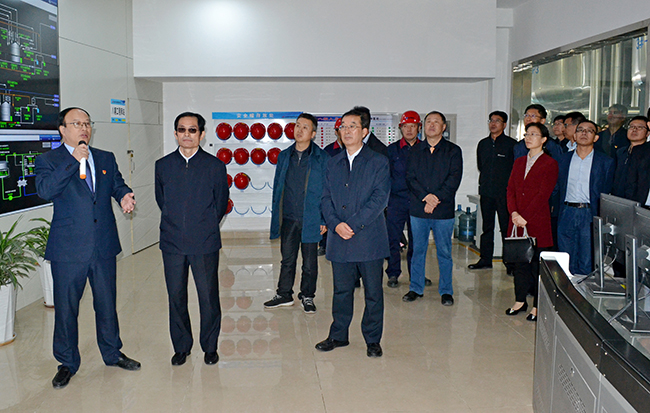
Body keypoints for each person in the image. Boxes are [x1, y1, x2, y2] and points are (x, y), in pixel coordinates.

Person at [35, 107, 140, 389]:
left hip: (103, 244)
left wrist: (124, 196)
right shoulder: (48, 160)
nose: (84, 128)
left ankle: (113, 353)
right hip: (68, 249)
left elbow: (116, 184)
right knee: (66, 309)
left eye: (87, 123)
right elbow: (46, 190)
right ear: (62, 129)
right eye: (77, 123)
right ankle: (67, 363)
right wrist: (73, 161)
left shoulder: (105, 157)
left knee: (106, 304)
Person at [155, 112, 229, 367]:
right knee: (176, 296)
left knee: (208, 297)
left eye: (192, 130)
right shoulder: (163, 166)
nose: (187, 134)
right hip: (172, 242)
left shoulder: (215, 166)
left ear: (202, 134)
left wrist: (204, 225)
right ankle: (181, 347)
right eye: (182, 129)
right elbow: (161, 200)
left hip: (204, 242)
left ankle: (210, 346)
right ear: (175, 134)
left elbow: (220, 203)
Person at [316, 108, 390, 358]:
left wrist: (353, 225)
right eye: (343, 126)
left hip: (369, 239)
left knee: (373, 293)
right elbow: (325, 197)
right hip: (339, 238)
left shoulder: (378, 161)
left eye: (352, 126)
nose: (346, 131)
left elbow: (380, 199)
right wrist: (335, 224)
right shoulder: (332, 162)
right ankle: (338, 335)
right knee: (341, 291)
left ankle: (373, 339)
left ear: (364, 131)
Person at [266, 113, 329, 313]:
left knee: (310, 262)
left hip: (311, 217)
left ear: (313, 133)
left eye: (305, 127)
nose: (299, 130)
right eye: (297, 125)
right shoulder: (284, 156)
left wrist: (324, 218)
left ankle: (308, 296)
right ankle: (284, 294)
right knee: (287, 259)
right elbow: (278, 187)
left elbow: (327, 191)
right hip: (288, 217)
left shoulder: (322, 158)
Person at [403, 111, 463, 306]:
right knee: (417, 250)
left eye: (436, 122)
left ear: (443, 127)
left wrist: (435, 199)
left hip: (443, 210)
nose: (432, 125)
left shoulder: (453, 151)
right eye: (428, 121)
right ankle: (416, 288)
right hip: (418, 209)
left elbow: (454, 179)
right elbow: (410, 177)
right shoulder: (415, 150)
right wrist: (426, 197)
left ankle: (446, 291)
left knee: (444, 252)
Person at [504, 123, 558, 322]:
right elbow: (510, 189)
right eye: (527, 134)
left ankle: (537, 305)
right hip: (517, 221)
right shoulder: (519, 162)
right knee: (519, 263)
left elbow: (543, 195)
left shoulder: (550, 163)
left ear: (543, 139)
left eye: (534, 134)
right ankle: (520, 300)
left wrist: (524, 216)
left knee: (536, 265)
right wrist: (514, 213)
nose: (528, 137)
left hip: (536, 221)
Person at [556, 119, 614, 275]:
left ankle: (583, 289)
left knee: (587, 260)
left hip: (590, 213)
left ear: (596, 137)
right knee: (565, 258)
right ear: (574, 135)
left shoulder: (606, 162)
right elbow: (557, 188)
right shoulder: (563, 159)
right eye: (580, 130)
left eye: (589, 131)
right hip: (566, 211)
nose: (584, 133)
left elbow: (607, 191)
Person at [468, 110, 516, 270]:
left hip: (504, 194)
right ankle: (485, 260)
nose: (493, 124)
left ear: (504, 124)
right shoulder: (483, 144)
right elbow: (481, 166)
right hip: (486, 192)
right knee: (486, 228)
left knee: (506, 228)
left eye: (497, 121)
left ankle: (510, 263)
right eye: (491, 120)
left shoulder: (512, 145)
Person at [385, 110, 422, 287]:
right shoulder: (391, 150)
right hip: (396, 201)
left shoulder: (425, 149)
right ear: (400, 128)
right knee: (393, 239)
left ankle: (416, 274)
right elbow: (385, 176)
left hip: (418, 202)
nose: (409, 130)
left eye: (412, 126)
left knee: (417, 241)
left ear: (419, 128)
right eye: (405, 126)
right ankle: (393, 273)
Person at [320, 117, 343, 256]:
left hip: (347, 191)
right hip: (331, 190)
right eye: (340, 129)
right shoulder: (328, 151)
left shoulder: (354, 150)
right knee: (328, 216)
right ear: (335, 132)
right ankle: (324, 244)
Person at [625, 110, 650, 207]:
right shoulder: (639, 151)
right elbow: (631, 184)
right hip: (642, 208)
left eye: (639, 127)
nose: (634, 130)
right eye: (631, 127)